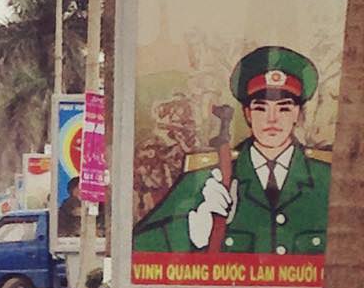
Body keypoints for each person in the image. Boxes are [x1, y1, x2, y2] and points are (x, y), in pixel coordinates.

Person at [133, 45, 330, 255]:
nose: (272, 118)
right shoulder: (209, 177)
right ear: (247, 114)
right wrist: (190, 231)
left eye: (283, 108)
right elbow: (140, 247)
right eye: (261, 108)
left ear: (297, 115)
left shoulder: (328, 180)